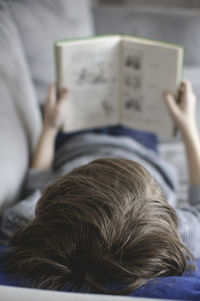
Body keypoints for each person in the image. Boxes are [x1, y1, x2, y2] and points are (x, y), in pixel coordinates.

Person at [0, 80, 200, 300]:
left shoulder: (22, 224)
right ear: (166, 214)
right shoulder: (176, 236)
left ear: (55, 194)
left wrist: (49, 127)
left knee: (86, 85)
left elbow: (37, 180)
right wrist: (188, 126)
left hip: (76, 144)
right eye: (155, 184)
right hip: (140, 146)